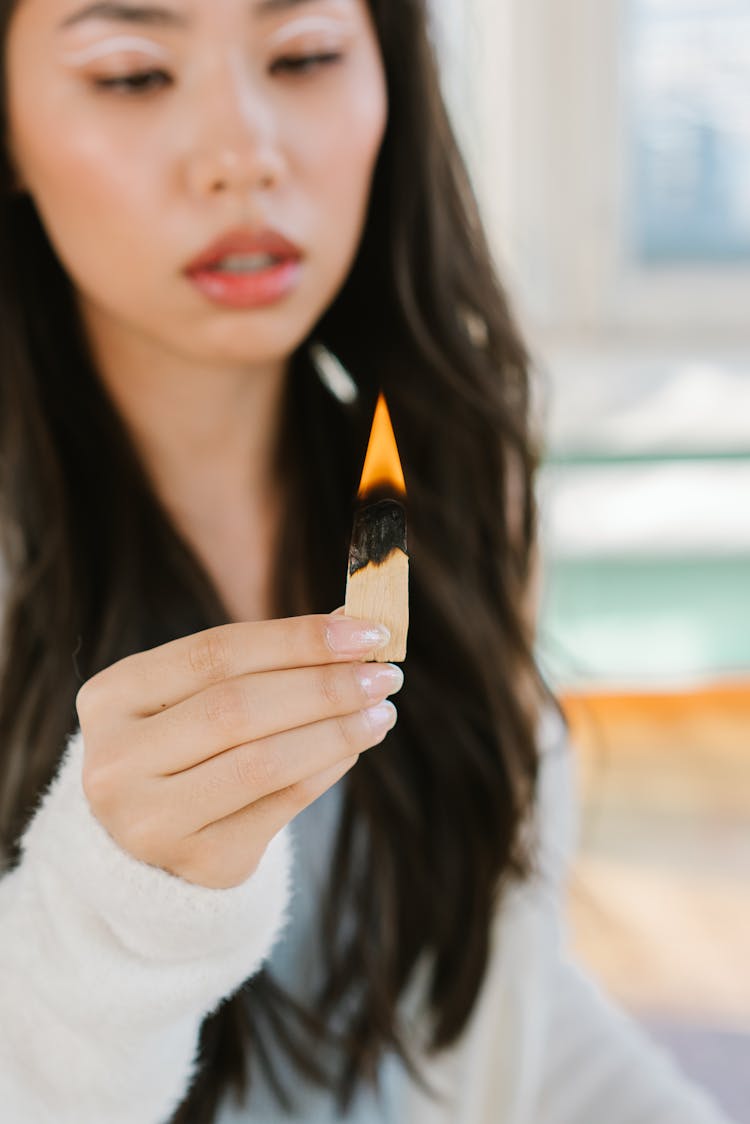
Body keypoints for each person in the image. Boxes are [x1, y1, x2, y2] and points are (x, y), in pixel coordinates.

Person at [0, 1, 736, 1122]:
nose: (243, 153)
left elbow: (493, 1015)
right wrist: (109, 923)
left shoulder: (456, 499)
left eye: (302, 56)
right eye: (135, 74)